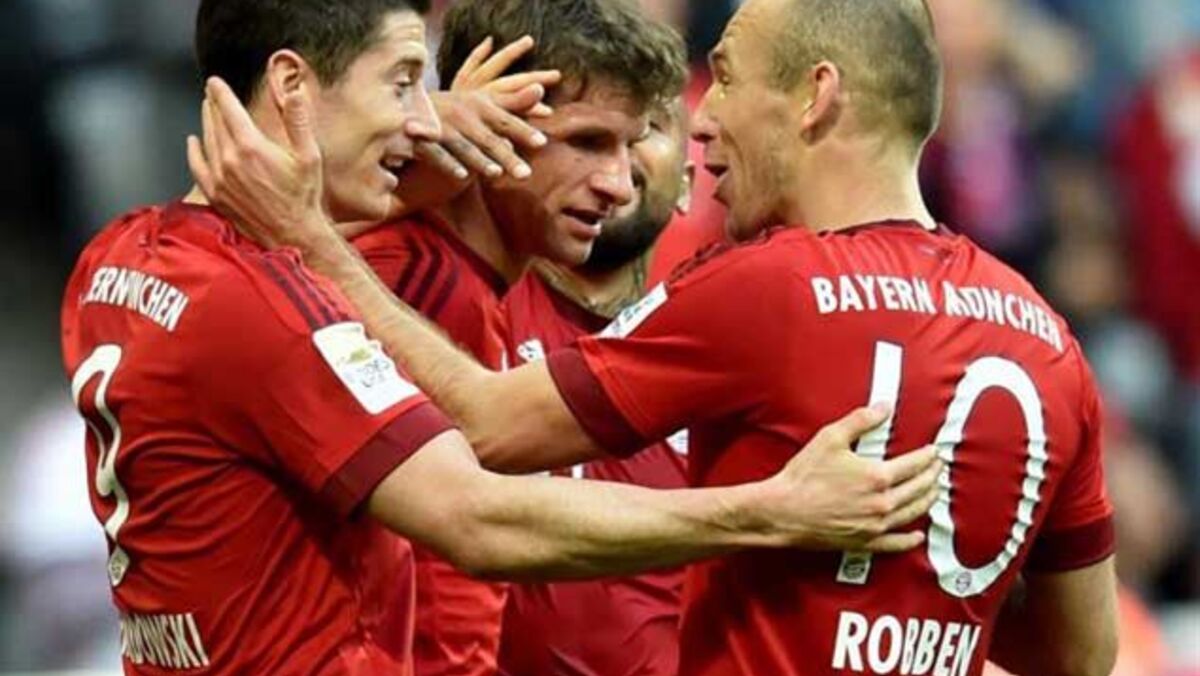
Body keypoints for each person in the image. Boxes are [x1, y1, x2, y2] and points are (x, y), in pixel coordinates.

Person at [192, 0, 1121, 673]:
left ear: (815, 96)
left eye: (729, 80)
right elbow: (1081, 655)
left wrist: (310, 234)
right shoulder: (1047, 338)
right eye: (592, 141)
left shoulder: (765, 289)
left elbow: (490, 430)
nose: (705, 121)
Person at [344, 3, 694, 672]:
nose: (617, 185)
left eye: (632, 144)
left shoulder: (471, 288)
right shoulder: (406, 282)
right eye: (587, 142)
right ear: (496, 117)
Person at [497, 98, 693, 676]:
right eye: (592, 138)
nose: (617, 164)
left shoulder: (714, 353)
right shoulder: (471, 302)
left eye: (646, 129)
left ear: (687, 183)